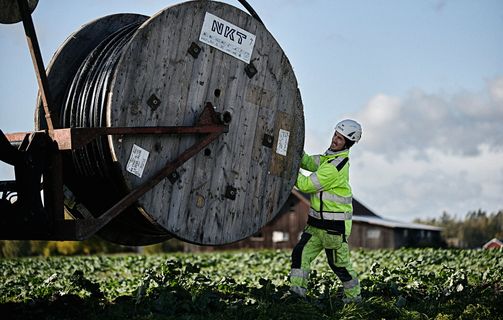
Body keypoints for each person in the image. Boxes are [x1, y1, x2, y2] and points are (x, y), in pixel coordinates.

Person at [289, 119, 362, 303]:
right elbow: (307, 161)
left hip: (333, 228)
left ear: (348, 144)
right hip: (316, 225)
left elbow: (305, 185)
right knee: (300, 255)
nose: (335, 140)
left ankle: (354, 300)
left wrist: (288, 169)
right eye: (335, 135)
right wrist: (293, 148)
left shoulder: (334, 167)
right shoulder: (327, 159)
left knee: (339, 265)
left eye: (340, 139)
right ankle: (296, 296)